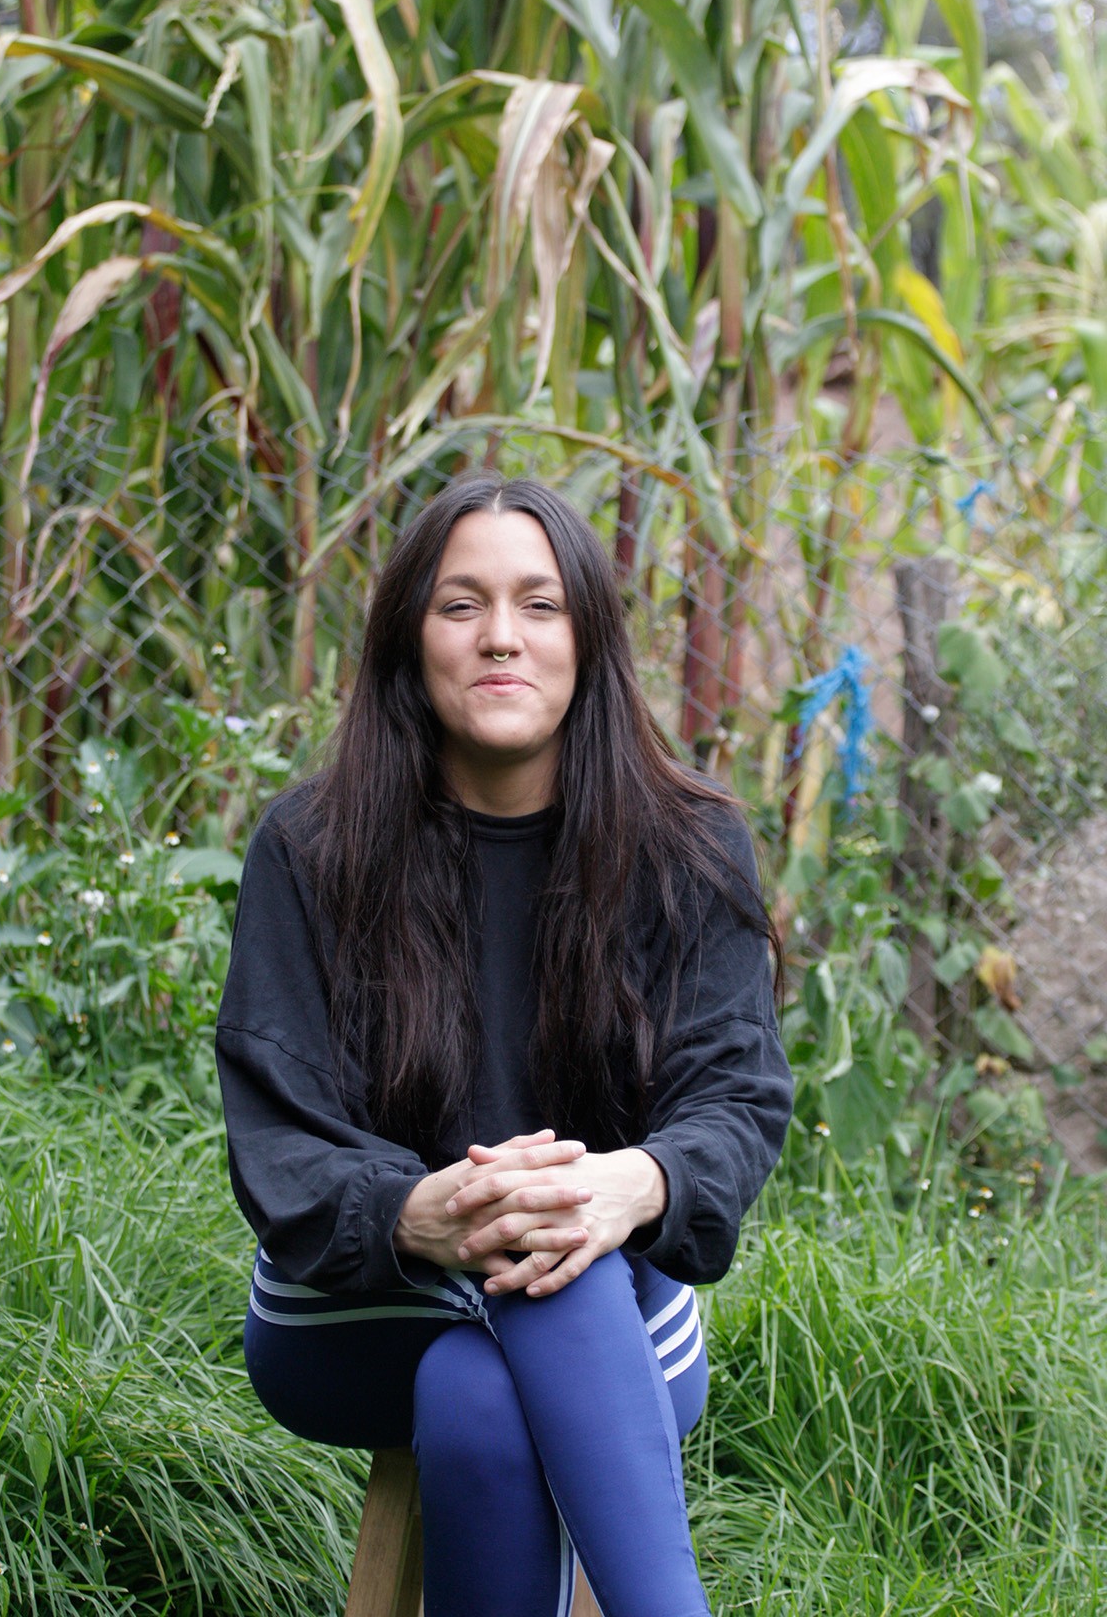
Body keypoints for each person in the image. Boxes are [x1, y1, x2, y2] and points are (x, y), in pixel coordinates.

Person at [215, 475, 793, 1617]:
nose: (500, 639)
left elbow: (735, 1099)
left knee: (506, 1350)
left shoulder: (692, 847)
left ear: (589, 638)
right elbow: (278, 1131)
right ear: (406, 640)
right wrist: (413, 1210)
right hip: (356, 1303)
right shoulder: (311, 847)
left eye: (539, 605)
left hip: (605, 1305)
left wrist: (629, 1185)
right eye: (459, 605)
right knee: (532, 1245)